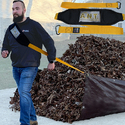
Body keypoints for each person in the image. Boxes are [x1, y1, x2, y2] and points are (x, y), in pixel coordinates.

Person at [1, 0, 56, 125]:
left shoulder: (34, 25)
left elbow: (49, 41)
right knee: (24, 93)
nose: (14, 11)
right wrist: (4, 51)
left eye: (17, 8)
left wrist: (51, 60)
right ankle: (33, 119)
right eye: (13, 9)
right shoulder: (11, 29)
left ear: (24, 10)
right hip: (16, 67)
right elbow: (5, 45)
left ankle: (24, 123)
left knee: (24, 93)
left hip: (30, 66)